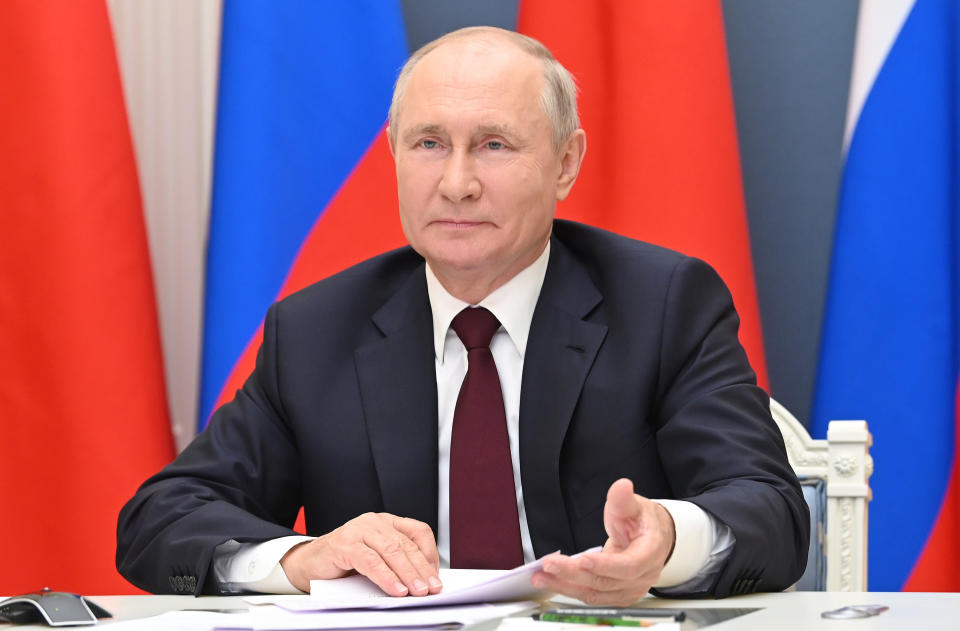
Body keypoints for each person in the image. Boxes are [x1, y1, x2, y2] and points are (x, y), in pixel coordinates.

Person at [117, 26, 808, 606]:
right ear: (392, 155)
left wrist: (669, 538)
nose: (456, 183)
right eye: (428, 144)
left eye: (493, 145)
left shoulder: (663, 304)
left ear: (566, 163)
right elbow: (159, 520)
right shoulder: (315, 331)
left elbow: (772, 511)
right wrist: (302, 557)